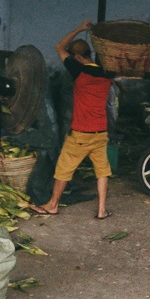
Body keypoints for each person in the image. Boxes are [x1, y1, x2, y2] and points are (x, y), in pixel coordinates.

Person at [38, 21, 116, 218]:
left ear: (78, 57)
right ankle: (101, 210)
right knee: (102, 171)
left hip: (81, 133)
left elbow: (59, 47)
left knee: (64, 169)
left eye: (74, 57)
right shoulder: (107, 72)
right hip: (100, 131)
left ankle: (53, 204)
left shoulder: (78, 70)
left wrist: (80, 29)